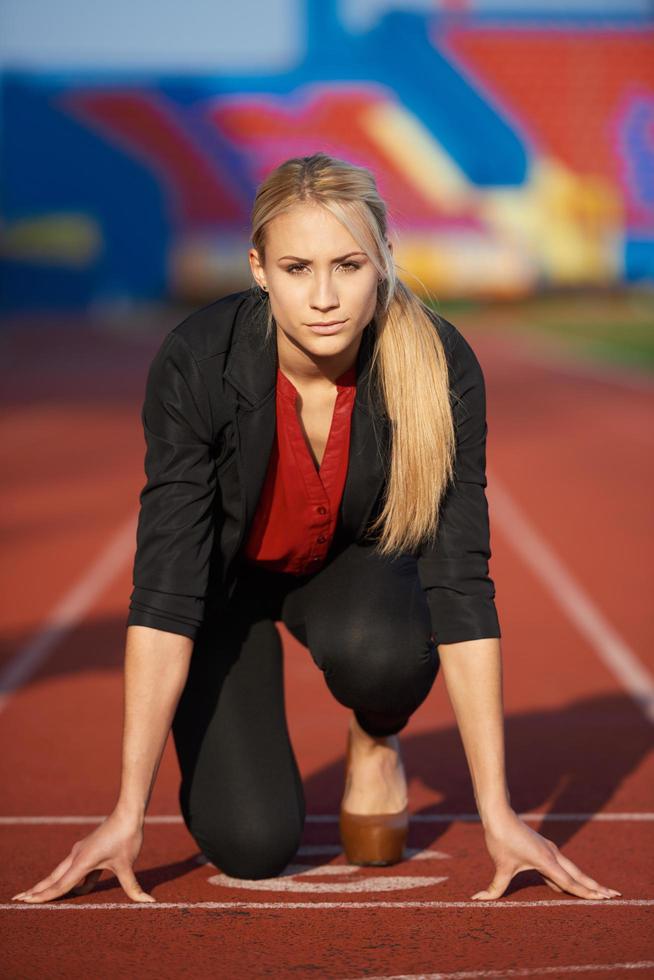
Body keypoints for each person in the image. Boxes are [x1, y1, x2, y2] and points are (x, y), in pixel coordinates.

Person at [12, 152, 620, 904]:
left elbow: (460, 582)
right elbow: (166, 587)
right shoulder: (197, 364)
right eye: (298, 268)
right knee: (253, 846)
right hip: (225, 594)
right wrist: (125, 811)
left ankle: (375, 735)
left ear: (385, 261)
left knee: (387, 655)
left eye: (349, 265)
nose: (325, 297)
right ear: (259, 269)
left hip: (347, 568)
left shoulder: (438, 364)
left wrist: (498, 813)